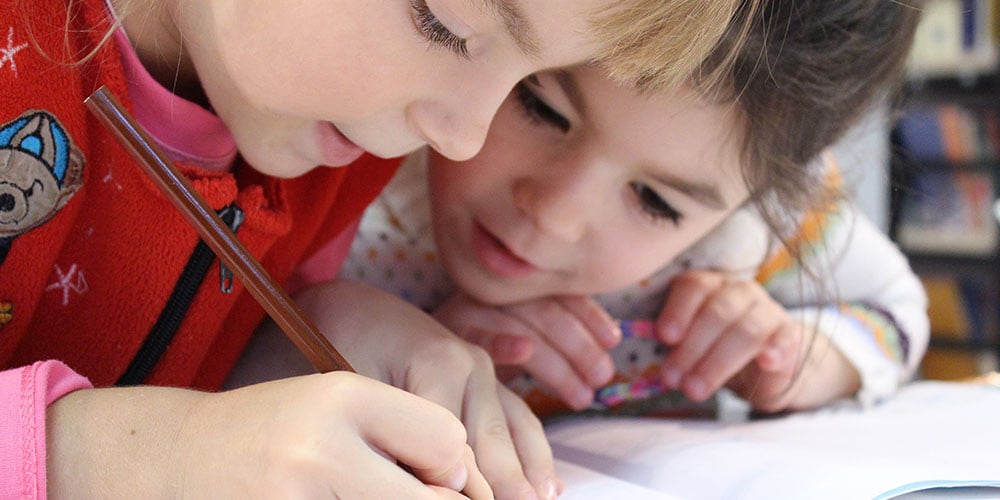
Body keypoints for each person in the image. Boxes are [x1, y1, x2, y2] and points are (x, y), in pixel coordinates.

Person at [0, 0, 754, 497]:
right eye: (445, 24)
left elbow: (179, 371)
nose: (462, 136)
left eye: (523, 79)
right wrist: (134, 460)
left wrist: (308, 343)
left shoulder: (335, 144)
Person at [325, 0, 930, 417]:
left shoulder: (753, 230)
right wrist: (383, 350)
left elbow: (897, 310)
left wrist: (801, 356)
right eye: (541, 109)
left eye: (654, 202)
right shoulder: (354, 153)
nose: (554, 214)